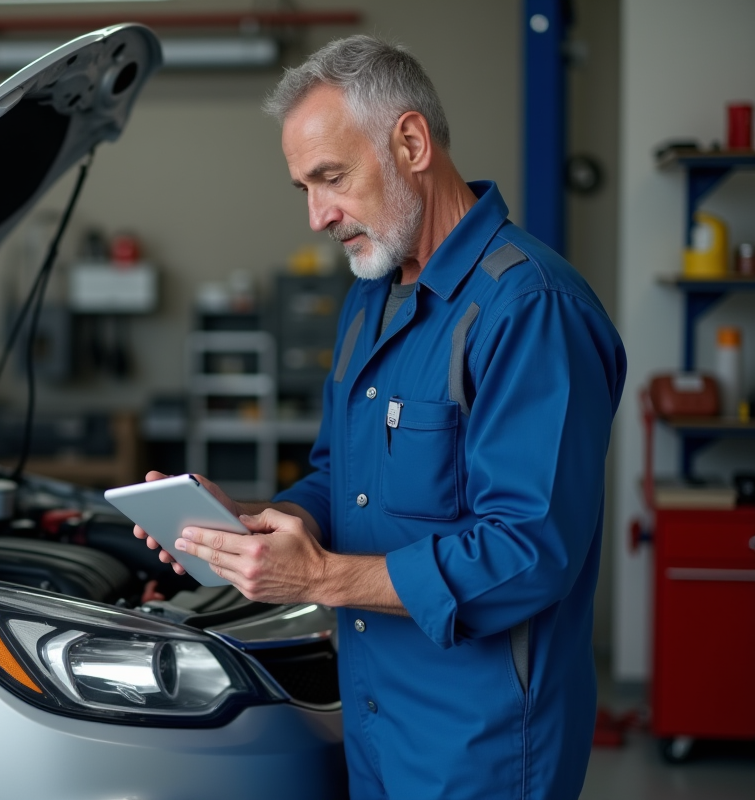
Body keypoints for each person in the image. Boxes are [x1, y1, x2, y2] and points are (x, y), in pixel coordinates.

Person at [135, 35, 627, 800]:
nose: (316, 215)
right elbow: (342, 478)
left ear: (411, 142)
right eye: (302, 186)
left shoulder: (529, 308)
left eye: (330, 178)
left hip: (483, 747)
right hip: (373, 720)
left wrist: (322, 578)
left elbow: (531, 548)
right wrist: (254, 525)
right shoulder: (373, 296)